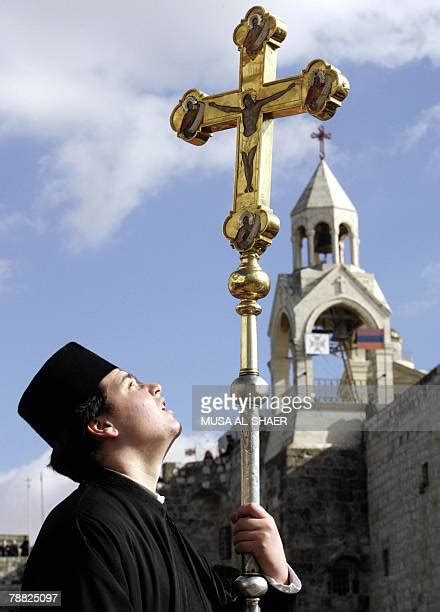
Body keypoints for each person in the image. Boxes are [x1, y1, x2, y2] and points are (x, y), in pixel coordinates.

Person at [18, 342, 301, 611]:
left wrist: (276, 575)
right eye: (131, 385)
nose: (154, 387)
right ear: (102, 424)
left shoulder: (159, 525)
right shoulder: (85, 529)